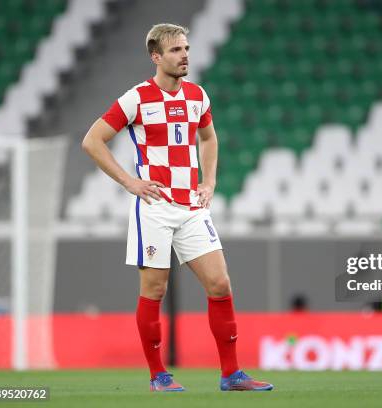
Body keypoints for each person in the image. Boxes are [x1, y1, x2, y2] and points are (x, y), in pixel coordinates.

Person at [81, 23, 273, 392]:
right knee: (155, 290)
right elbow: (93, 141)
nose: (184, 55)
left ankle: (231, 374)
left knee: (219, 283)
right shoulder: (136, 98)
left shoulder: (198, 96)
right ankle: (159, 376)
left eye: (186, 48)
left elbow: (208, 137)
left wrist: (210, 181)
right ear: (156, 56)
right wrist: (130, 182)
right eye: (175, 50)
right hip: (154, 206)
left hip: (191, 206)